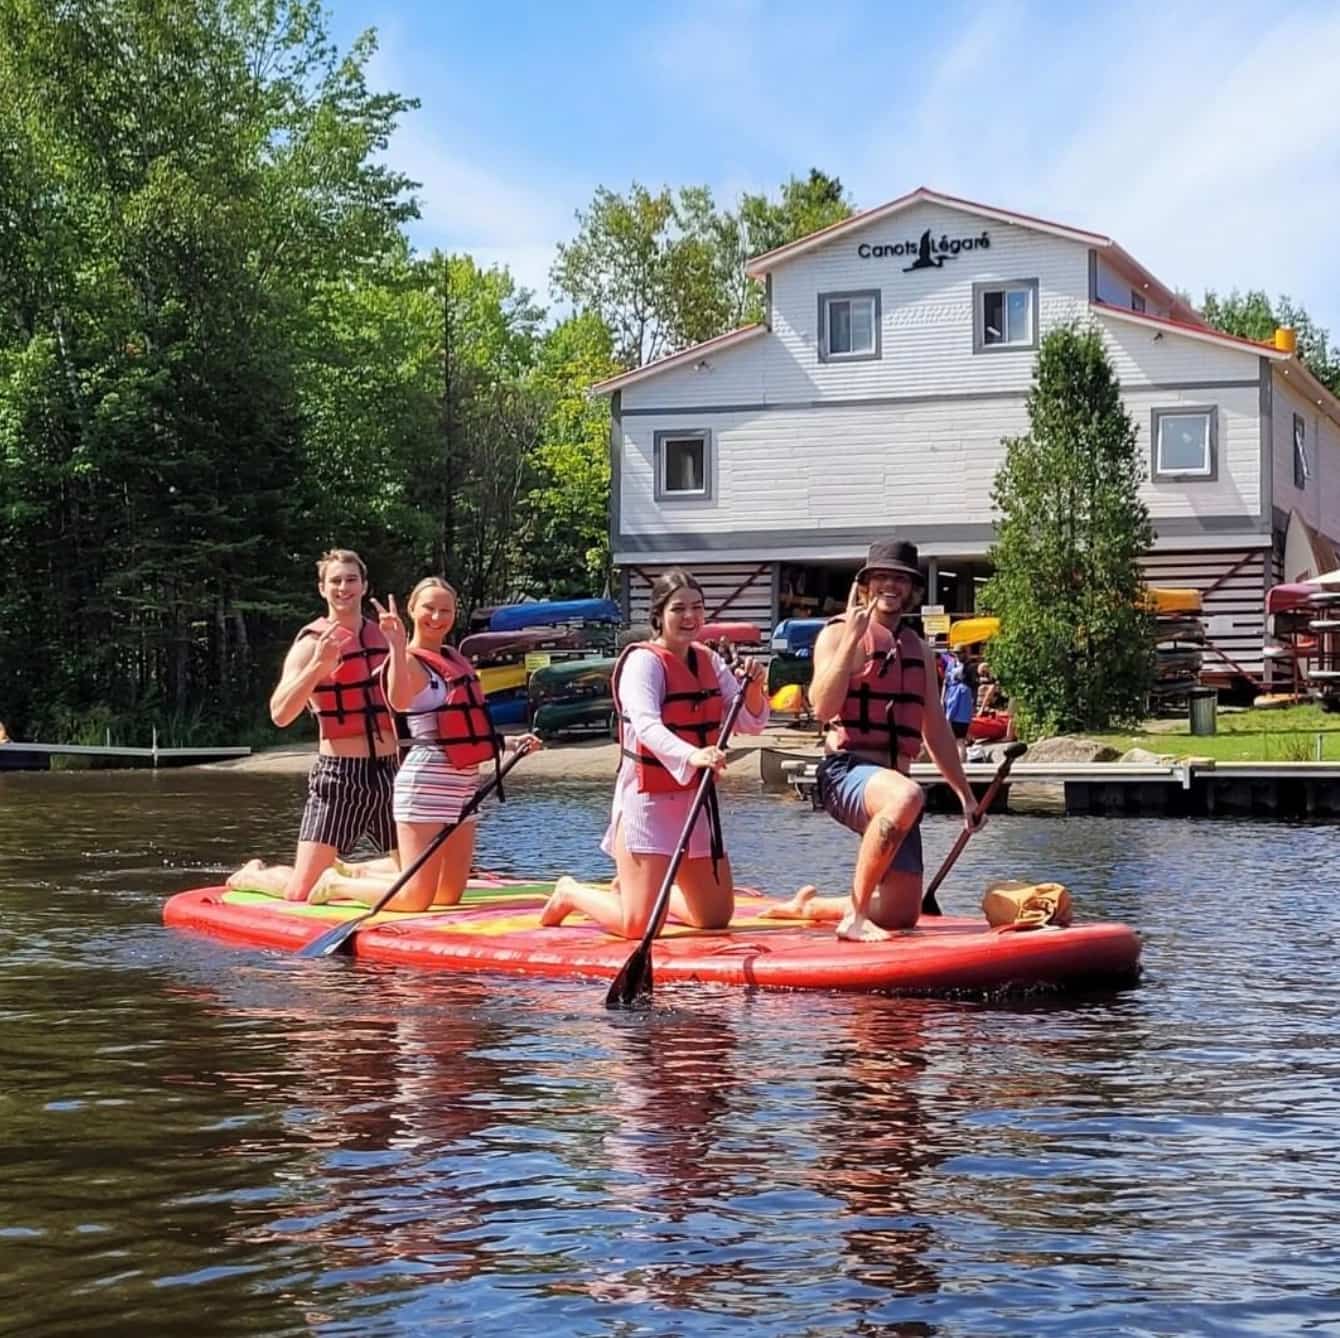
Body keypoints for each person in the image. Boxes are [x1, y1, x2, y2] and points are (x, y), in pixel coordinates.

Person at [231, 576, 540, 912]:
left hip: (455, 782)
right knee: (400, 897)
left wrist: (508, 744)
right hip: (407, 781)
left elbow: (463, 729)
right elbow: (399, 699)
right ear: (411, 610)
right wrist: (395, 645)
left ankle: (353, 870)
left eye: (445, 610)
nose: (437, 617)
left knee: (447, 895)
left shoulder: (455, 659)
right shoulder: (404, 658)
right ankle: (331, 882)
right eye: (429, 608)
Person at [761, 539, 981, 940]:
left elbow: (936, 729)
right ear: (865, 585)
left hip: (894, 779)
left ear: (913, 590)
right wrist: (850, 641)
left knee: (901, 913)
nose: (891, 586)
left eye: (901, 580)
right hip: (846, 771)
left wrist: (966, 794)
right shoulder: (837, 635)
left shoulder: (918, 649)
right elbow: (823, 708)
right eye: (882, 578)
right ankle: (856, 917)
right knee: (907, 796)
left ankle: (810, 906)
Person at [540, 569, 769, 939]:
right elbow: (647, 726)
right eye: (679, 608)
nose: (690, 617)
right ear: (659, 615)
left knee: (714, 918)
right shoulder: (642, 663)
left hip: (694, 801)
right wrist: (692, 755)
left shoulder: (708, 661)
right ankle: (571, 891)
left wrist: (754, 687)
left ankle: (641, 895)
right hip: (649, 801)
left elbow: (749, 722)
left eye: (697, 607)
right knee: (640, 927)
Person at [260, 549, 400, 902]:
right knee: (300, 893)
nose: (344, 587)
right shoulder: (311, 644)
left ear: (365, 585)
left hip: (392, 772)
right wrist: (318, 667)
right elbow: (280, 713)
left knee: (422, 876)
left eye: (351, 579)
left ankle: (352, 872)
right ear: (322, 589)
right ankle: (255, 876)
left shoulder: (386, 636)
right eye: (335, 581)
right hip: (340, 778)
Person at [940, 649, 974, 761]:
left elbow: (953, 704)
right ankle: (960, 763)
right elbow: (946, 682)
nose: (957, 656)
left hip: (957, 712)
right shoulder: (952, 665)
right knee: (959, 739)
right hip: (960, 711)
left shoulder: (962, 685)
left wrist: (948, 717)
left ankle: (957, 763)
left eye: (959, 653)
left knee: (957, 739)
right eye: (956, 654)